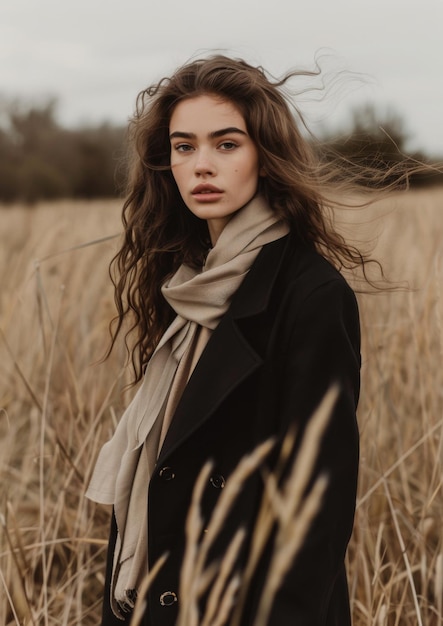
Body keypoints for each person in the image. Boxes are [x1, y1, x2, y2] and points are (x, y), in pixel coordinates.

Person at [86, 55, 362, 626]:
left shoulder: (309, 294)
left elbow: (316, 511)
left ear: (265, 154)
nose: (201, 166)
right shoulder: (188, 285)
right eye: (184, 147)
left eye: (227, 144)